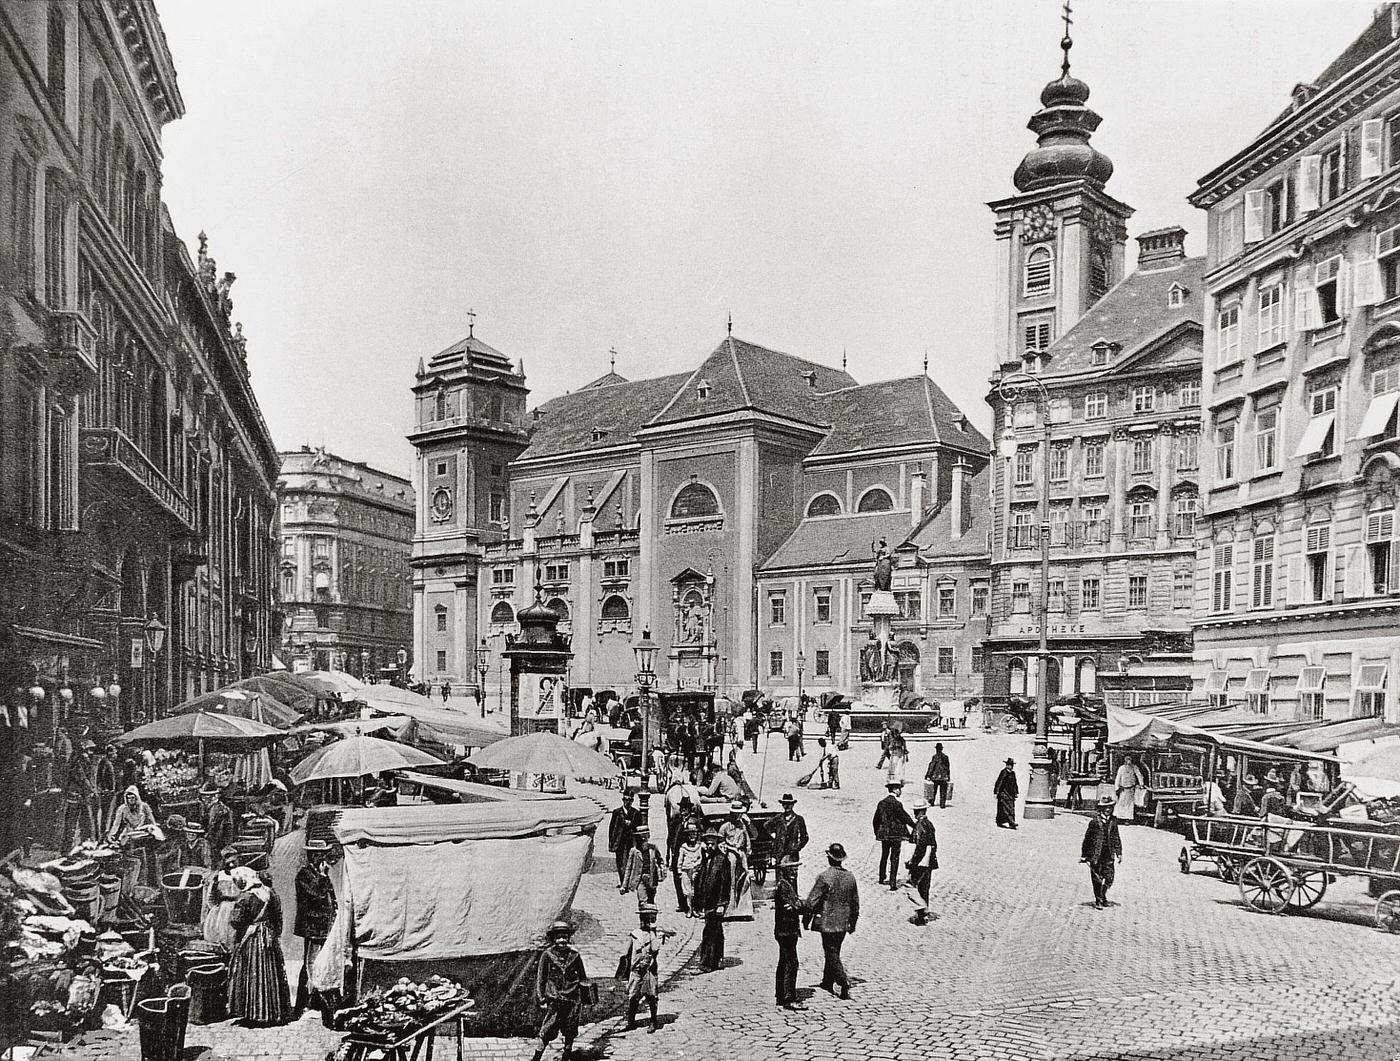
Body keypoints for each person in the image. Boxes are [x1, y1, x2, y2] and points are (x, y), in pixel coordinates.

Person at [227, 865, 292, 1026]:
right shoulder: (270, 892)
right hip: (268, 937)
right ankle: (272, 1012)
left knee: (252, 973)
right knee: (270, 973)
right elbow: (278, 917)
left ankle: (254, 1013)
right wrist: (274, 934)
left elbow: (236, 921)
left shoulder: (245, 898)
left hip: (252, 938)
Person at [805, 843, 858, 1000]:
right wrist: (853, 923)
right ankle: (827, 981)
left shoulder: (824, 877)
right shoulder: (850, 877)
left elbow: (811, 902)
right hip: (843, 923)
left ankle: (842, 981)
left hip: (828, 923)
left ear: (829, 858)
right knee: (835, 950)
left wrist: (806, 919)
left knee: (831, 952)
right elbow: (855, 904)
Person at [531, 920, 591, 1061]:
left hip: (572, 999)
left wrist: (586, 995)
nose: (562, 940)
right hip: (554, 999)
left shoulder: (575, 956)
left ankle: (567, 1054)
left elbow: (583, 977)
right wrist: (541, 999)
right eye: (558, 937)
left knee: (570, 1029)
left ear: (568, 938)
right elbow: (541, 978)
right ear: (553, 939)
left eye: (564, 937)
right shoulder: (547, 955)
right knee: (547, 1030)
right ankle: (536, 1057)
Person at [293, 840, 337, 1017]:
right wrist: (324, 877)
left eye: (323, 854)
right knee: (310, 963)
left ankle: (316, 1000)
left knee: (322, 962)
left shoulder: (318, 873)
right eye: (319, 854)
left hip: (323, 925)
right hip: (312, 926)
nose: (322, 857)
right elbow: (317, 894)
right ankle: (302, 1003)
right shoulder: (304, 875)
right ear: (312, 855)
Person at [692, 830, 732, 972]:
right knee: (716, 931)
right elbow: (701, 880)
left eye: (712, 844)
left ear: (717, 843)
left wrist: (722, 904)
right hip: (707, 901)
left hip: (716, 902)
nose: (709, 846)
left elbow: (725, 884)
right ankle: (717, 960)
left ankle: (705, 964)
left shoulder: (722, 860)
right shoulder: (706, 859)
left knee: (709, 933)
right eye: (707, 843)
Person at [623, 904, 665, 1033]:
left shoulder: (656, 935)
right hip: (636, 970)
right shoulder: (635, 934)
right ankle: (631, 1021)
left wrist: (653, 933)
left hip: (649, 970)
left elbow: (655, 949)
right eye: (645, 918)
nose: (647, 922)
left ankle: (653, 1021)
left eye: (651, 919)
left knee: (652, 995)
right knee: (634, 995)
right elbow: (627, 953)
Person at [772, 855, 805, 1010]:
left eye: (795, 868)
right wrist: (800, 904)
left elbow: (796, 904)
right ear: (783, 871)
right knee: (791, 963)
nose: (794, 871)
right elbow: (795, 905)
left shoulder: (787, 884)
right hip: (787, 930)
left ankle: (780, 994)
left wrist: (798, 904)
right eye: (790, 869)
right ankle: (789, 998)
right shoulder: (785, 886)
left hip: (784, 930)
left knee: (784, 962)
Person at [1080, 795, 1123, 909]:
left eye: (1110, 807)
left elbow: (1116, 837)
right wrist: (1084, 855)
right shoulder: (1094, 822)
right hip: (1096, 854)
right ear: (1101, 809)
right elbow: (1087, 839)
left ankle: (1102, 894)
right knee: (1097, 878)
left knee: (1109, 877)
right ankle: (1098, 900)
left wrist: (1119, 853)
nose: (1108, 810)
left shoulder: (1113, 821)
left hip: (1108, 853)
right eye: (1106, 808)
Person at [872, 782, 913, 889]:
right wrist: (914, 825)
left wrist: (877, 832)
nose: (900, 791)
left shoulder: (881, 803)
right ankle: (893, 883)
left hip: (885, 835)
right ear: (895, 790)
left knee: (884, 855)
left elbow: (875, 820)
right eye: (899, 789)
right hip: (895, 836)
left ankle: (881, 877)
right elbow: (905, 817)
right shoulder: (897, 804)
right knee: (894, 858)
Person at [906, 799, 938, 926]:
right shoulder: (929, 824)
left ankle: (921, 909)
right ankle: (923, 915)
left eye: (916, 811)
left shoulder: (920, 825)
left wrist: (912, 862)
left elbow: (920, 847)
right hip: (929, 861)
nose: (914, 813)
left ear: (919, 811)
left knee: (910, 885)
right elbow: (934, 844)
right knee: (924, 888)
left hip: (921, 862)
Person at [203, 848, 242, 951]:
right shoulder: (219, 876)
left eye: (234, 862)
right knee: (222, 932)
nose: (231, 865)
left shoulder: (241, 874)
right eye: (229, 862)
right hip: (223, 909)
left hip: (238, 907)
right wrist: (215, 909)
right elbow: (210, 895)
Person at [62, 741, 97, 851]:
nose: (91, 753)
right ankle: (68, 849)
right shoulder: (80, 760)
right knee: (75, 823)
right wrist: (91, 789)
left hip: (78, 795)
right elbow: (82, 777)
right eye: (89, 750)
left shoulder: (76, 760)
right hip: (77, 795)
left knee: (79, 823)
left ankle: (76, 847)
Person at [621, 826, 665, 908]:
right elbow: (628, 868)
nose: (643, 838)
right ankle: (643, 920)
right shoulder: (634, 851)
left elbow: (661, 861)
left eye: (645, 836)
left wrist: (662, 872)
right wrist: (624, 885)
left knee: (651, 901)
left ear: (648, 836)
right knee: (642, 901)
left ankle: (649, 919)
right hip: (640, 879)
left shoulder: (653, 848)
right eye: (641, 836)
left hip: (652, 879)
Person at [608, 791, 641, 885]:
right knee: (620, 862)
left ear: (632, 801)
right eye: (626, 800)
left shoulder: (636, 813)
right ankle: (623, 881)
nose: (628, 802)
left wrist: (632, 824)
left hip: (631, 841)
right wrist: (611, 842)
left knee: (629, 861)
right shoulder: (617, 812)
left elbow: (639, 828)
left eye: (630, 800)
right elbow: (612, 828)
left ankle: (627, 882)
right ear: (623, 800)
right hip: (619, 841)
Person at [674, 824, 703, 916]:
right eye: (690, 834)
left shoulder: (700, 846)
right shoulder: (683, 847)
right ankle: (689, 909)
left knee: (696, 891)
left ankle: (695, 909)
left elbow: (701, 858)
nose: (692, 836)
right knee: (688, 892)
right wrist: (679, 870)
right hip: (686, 871)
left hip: (696, 871)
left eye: (694, 834)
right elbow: (680, 859)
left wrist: (697, 865)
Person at [200, 784, 237, 855]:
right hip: (212, 843)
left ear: (214, 796)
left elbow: (223, 831)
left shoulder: (221, 809)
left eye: (207, 796)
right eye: (203, 796)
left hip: (218, 845)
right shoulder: (208, 808)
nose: (204, 799)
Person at [772, 793, 809, 861]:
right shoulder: (778, 818)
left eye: (789, 804)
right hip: (779, 855)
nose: (787, 806)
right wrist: (775, 841)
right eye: (785, 804)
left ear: (793, 805)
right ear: (782, 805)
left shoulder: (799, 819)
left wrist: (795, 848)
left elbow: (804, 838)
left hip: (792, 856)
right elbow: (766, 826)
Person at [1113, 755, 1146, 823]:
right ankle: (1119, 818)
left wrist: (1141, 784)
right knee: (1121, 803)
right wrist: (1117, 788)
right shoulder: (1121, 768)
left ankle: (1127, 819)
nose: (1129, 762)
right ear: (1125, 761)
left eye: (1130, 760)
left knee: (1130, 805)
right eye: (1127, 760)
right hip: (1123, 789)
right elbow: (1118, 778)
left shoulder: (1134, 767)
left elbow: (1139, 775)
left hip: (1131, 789)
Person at [94, 745, 117, 837]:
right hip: (106, 792)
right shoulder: (106, 762)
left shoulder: (105, 762)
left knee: (105, 813)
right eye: (115, 753)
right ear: (110, 753)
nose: (116, 755)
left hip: (106, 791)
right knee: (105, 813)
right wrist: (106, 789)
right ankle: (103, 833)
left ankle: (103, 832)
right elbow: (101, 776)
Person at [994, 758, 1020, 830]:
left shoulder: (1012, 773)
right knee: (1007, 808)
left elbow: (1015, 783)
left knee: (1010, 807)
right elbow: (999, 782)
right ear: (1007, 765)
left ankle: (1002, 821)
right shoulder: (1004, 772)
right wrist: (996, 791)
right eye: (1009, 765)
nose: (1011, 766)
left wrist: (1016, 792)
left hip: (1011, 794)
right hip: (1004, 793)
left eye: (1011, 765)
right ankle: (1011, 822)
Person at [925, 742, 951, 809]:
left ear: (936, 749)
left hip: (935, 776)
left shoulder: (935, 757)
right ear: (942, 749)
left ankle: (932, 802)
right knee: (943, 791)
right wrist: (948, 776)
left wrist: (928, 775)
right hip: (943, 777)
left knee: (934, 790)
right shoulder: (946, 757)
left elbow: (931, 766)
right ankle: (942, 804)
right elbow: (948, 767)